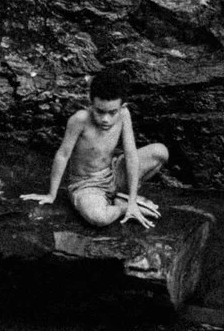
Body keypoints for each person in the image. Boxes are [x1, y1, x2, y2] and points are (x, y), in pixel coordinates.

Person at [21, 67, 168, 228]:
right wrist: (51, 194)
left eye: (113, 112)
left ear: (122, 106)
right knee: (99, 218)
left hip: (114, 173)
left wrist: (133, 199)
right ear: (91, 103)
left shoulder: (124, 114)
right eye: (100, 111)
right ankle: (120, 206)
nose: (106, 119)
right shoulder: (79, 120)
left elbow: (131, 155)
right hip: (86, 185)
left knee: (160, 152)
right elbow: (63, 155)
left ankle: (125, 198)